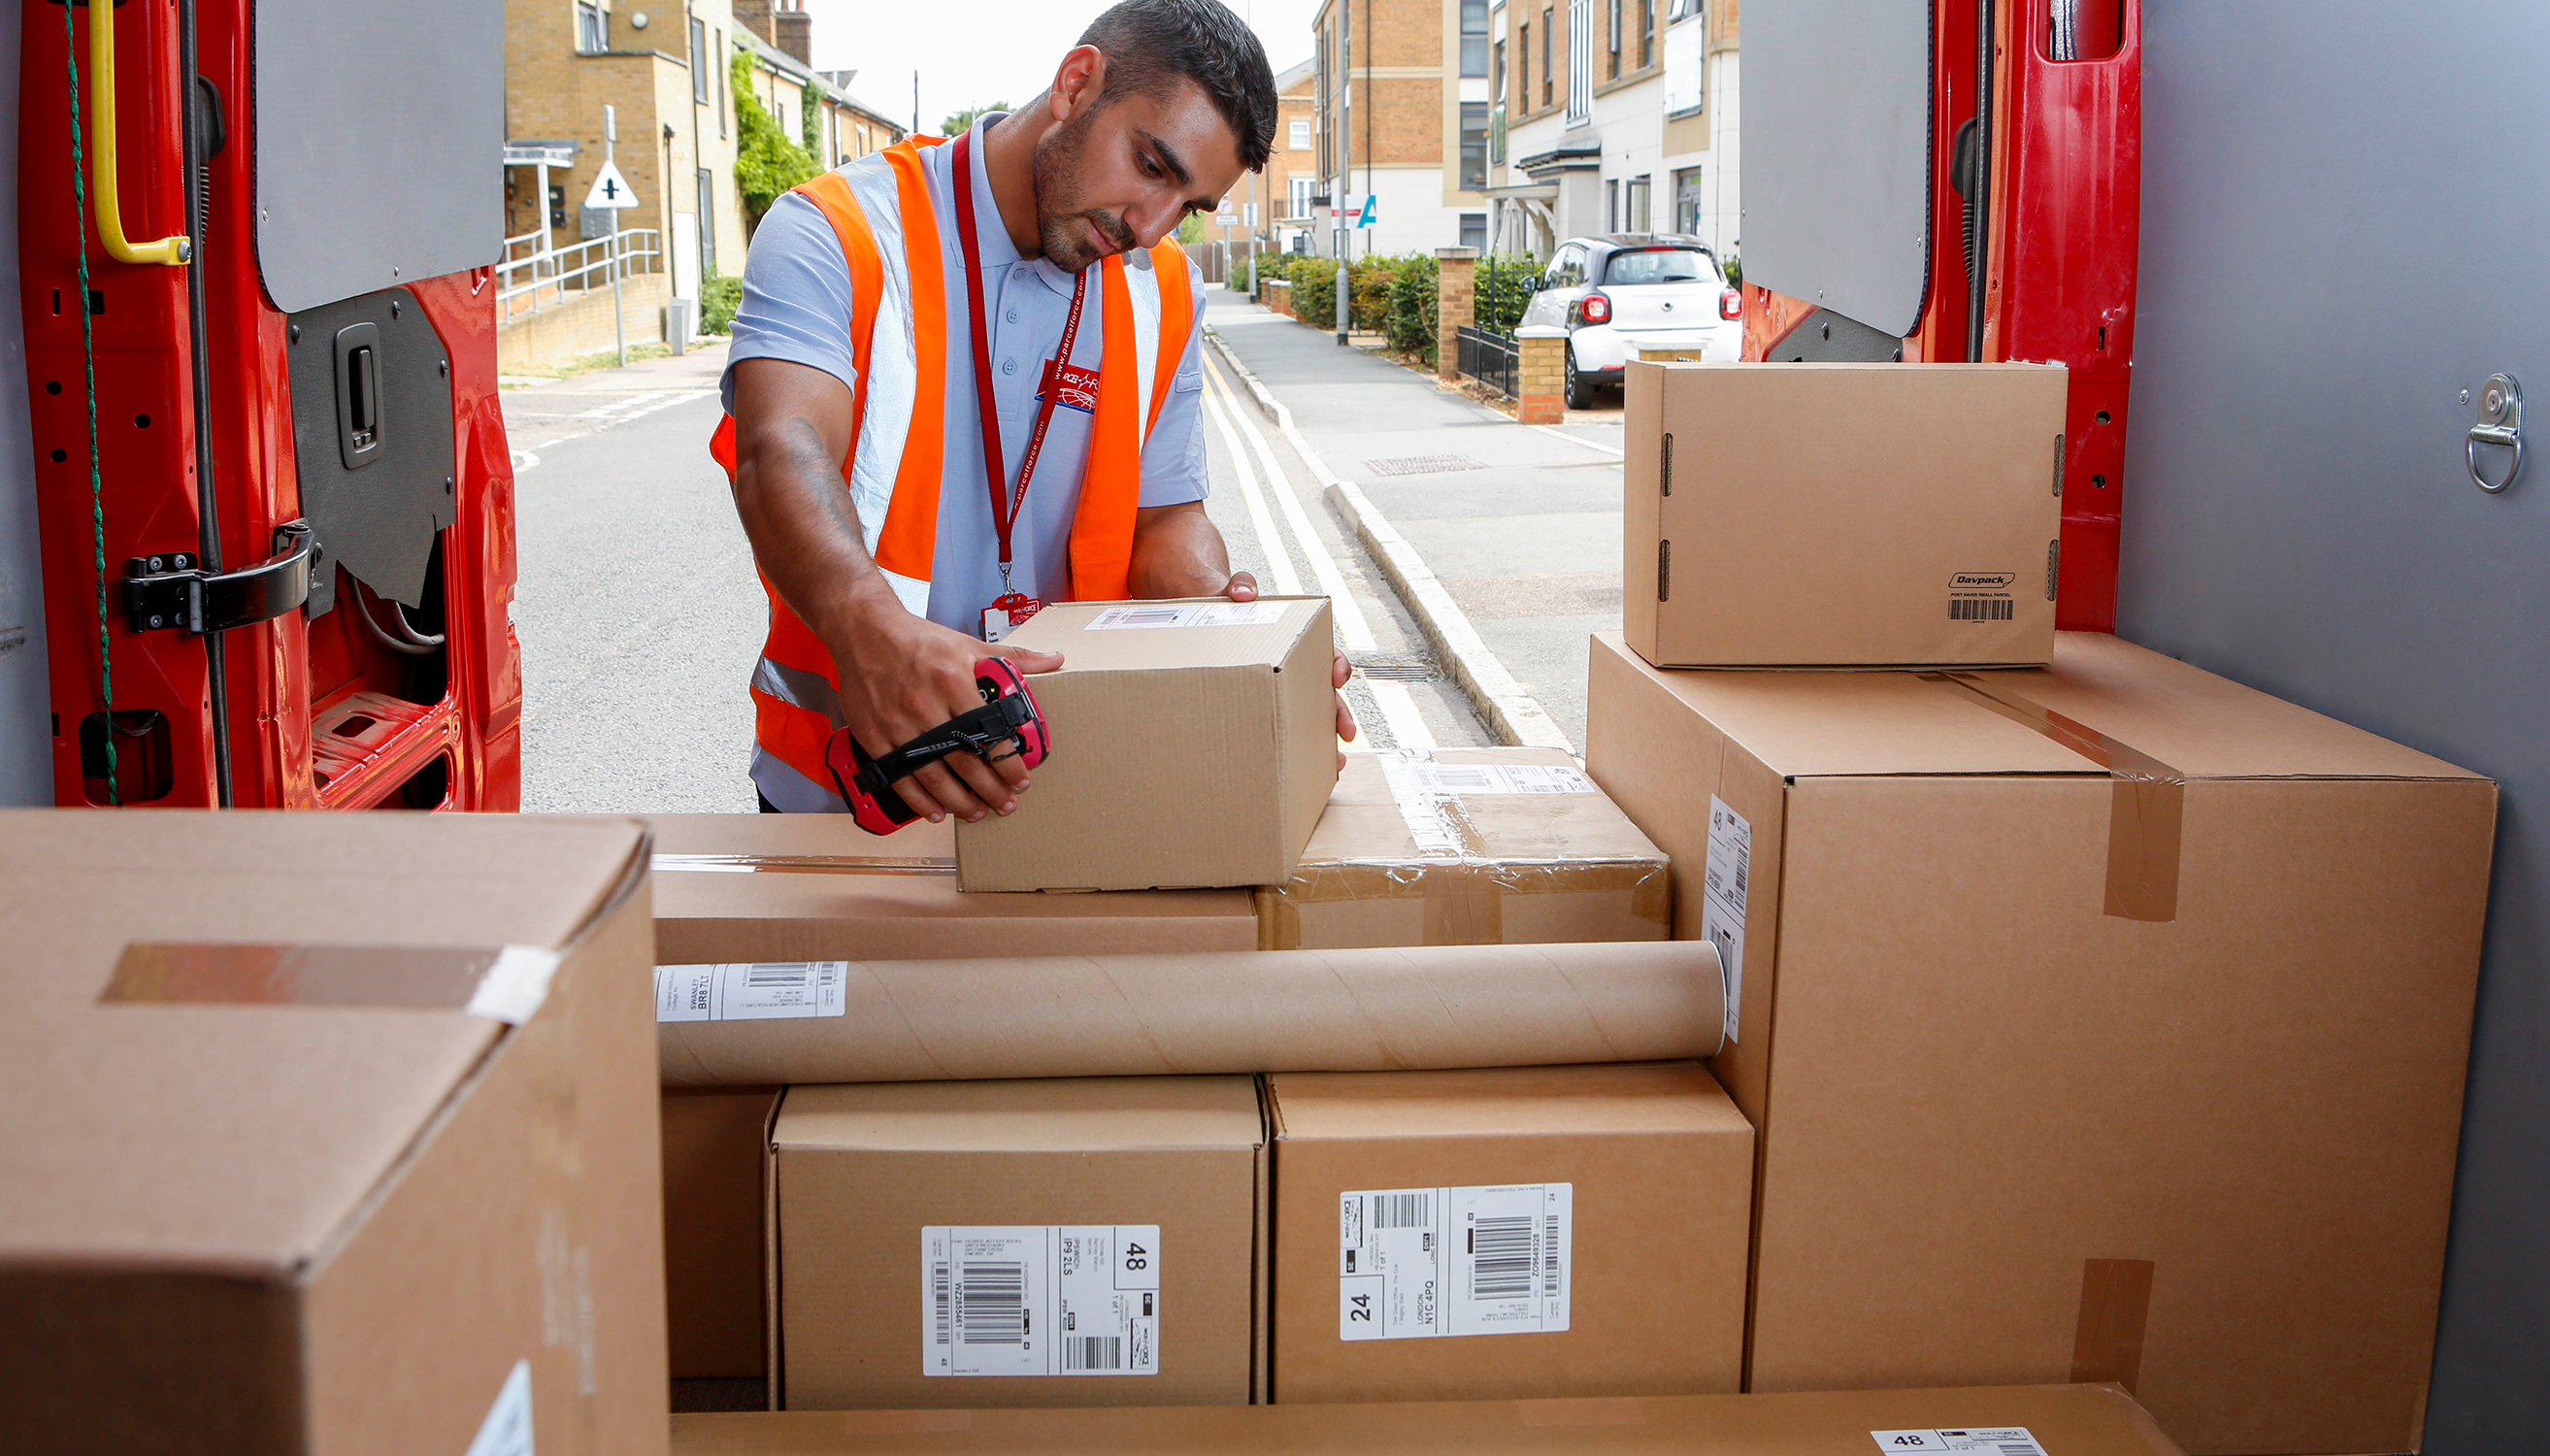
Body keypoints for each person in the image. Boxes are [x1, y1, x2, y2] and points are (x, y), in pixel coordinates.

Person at [716, 0, 1354, 819]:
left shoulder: (1163, 288)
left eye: (1189, 207)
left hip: (1063, 792)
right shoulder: (835, 230)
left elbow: (1165, 519)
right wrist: (872, 635)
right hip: (847, 796)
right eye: (1151, 165)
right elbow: (779, 445)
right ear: (1075, 83)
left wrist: (1226, 633)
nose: (1149, 227)